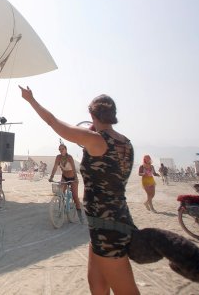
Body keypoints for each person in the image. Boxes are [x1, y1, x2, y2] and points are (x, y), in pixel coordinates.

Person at [20, 86, 139, 295]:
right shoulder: (126, 143)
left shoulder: (96, 140)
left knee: (126, 291)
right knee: (97, 286)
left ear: (92, 114)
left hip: (107, 227)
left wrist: (31, 100)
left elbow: (53, 122)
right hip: (111, 220)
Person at [49, 143, 84, 223]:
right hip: (64, 177)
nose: (61, 150)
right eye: (60, 149)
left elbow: (74, 169)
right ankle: (61, 208)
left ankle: (80, 215)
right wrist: (51, 177)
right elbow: (55, 167)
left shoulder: (69, 157)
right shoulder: (58, 157)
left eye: (62, 149)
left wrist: (75, 178)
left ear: (66, 149)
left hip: (72, 178)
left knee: (75, 196)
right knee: (60, 193)